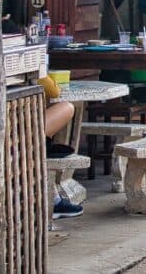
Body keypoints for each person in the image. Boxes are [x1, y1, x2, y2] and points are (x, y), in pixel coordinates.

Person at [38, 75, 84, 219]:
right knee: (67, 107)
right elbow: (54, 91)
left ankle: (55, 199)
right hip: (18, 132)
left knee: (40, 148)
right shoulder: (24, 57)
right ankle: (54, 201)